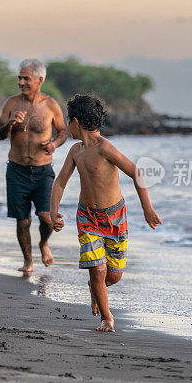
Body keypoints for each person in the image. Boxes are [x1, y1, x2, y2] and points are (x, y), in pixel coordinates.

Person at [50, 94, 162, 332]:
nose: (68, 125)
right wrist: (53, 212)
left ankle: (95, 289)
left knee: (113, 276)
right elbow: (60, 182)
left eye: (69, 120)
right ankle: (107, 318)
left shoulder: (106, 148)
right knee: (97, 270)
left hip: (115, 217)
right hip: (87, 217)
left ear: (76, 123)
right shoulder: (75, 151)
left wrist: (147, 208)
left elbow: (137, 173)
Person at [0, 59, 68, 273]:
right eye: (19, 78)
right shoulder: (11, 103)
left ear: (40, 80)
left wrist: (54, 144)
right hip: (16, 170)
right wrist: (10, 122)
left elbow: (63, 131)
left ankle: (44, 243)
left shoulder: (50, 105)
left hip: (43, 170)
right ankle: (28, 261)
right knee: (23, 221)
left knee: (46, 217)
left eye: (26, 78)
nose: (21, 82)